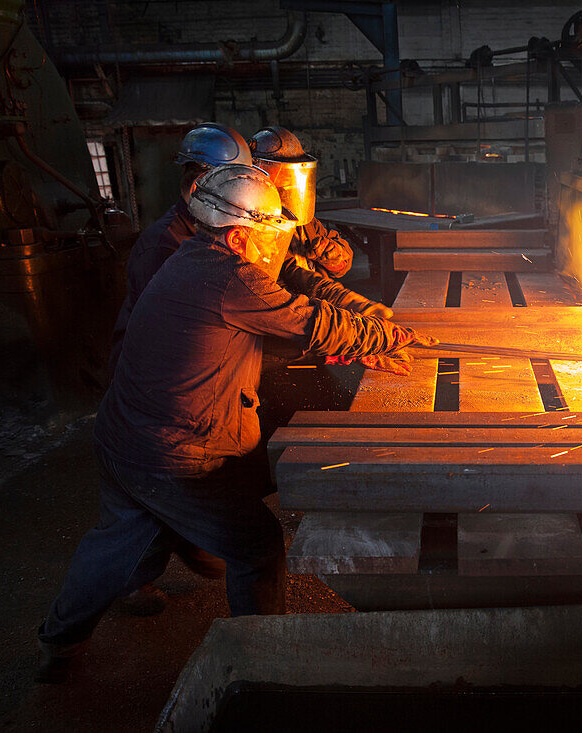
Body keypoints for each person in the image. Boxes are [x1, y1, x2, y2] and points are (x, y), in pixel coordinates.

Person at [37, 164, 433, 682]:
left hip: (123, 436)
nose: (274, 248)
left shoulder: (190, 257)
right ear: (242, 232)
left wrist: (361, 326)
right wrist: (384, 338)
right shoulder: (231, 277)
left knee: (119, 540)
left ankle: (59, 644)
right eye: (269, 235)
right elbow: (310, 320)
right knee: (257, 547)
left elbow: (277, 315)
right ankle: (262, 666)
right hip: (170, 454)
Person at [107, 122, 254, 613]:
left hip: (159, 392)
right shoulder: (166, 244)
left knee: (158, 495)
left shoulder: (211, 231)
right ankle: (133, 581)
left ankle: (192, 539)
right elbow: (192, 330)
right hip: (152, 380)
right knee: (147, 499)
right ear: (197, 181)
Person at [249, 126, 374, 288]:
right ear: (258, 171)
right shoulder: (250, 226)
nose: (286, 182)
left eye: (289, 174)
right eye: (280, 173)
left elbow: (343, 264)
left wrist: (334, 256)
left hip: (316, 302)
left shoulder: (303, 221)